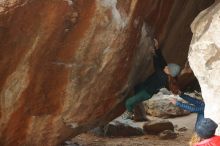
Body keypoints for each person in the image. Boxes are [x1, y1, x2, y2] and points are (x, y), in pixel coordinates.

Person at [123, 38, 181, 119]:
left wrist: (153, 54)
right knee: (136, 89)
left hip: (146, 93)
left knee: (128, 102)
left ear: (170, 73)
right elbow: (163, 62)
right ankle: (139, 114)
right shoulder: (166, 74)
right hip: (145, 86)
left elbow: (157, 66)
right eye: (168, 66)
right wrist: (157, 48)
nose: (166, 66)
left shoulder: (162, 77)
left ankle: (130, 112)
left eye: (168, 68)